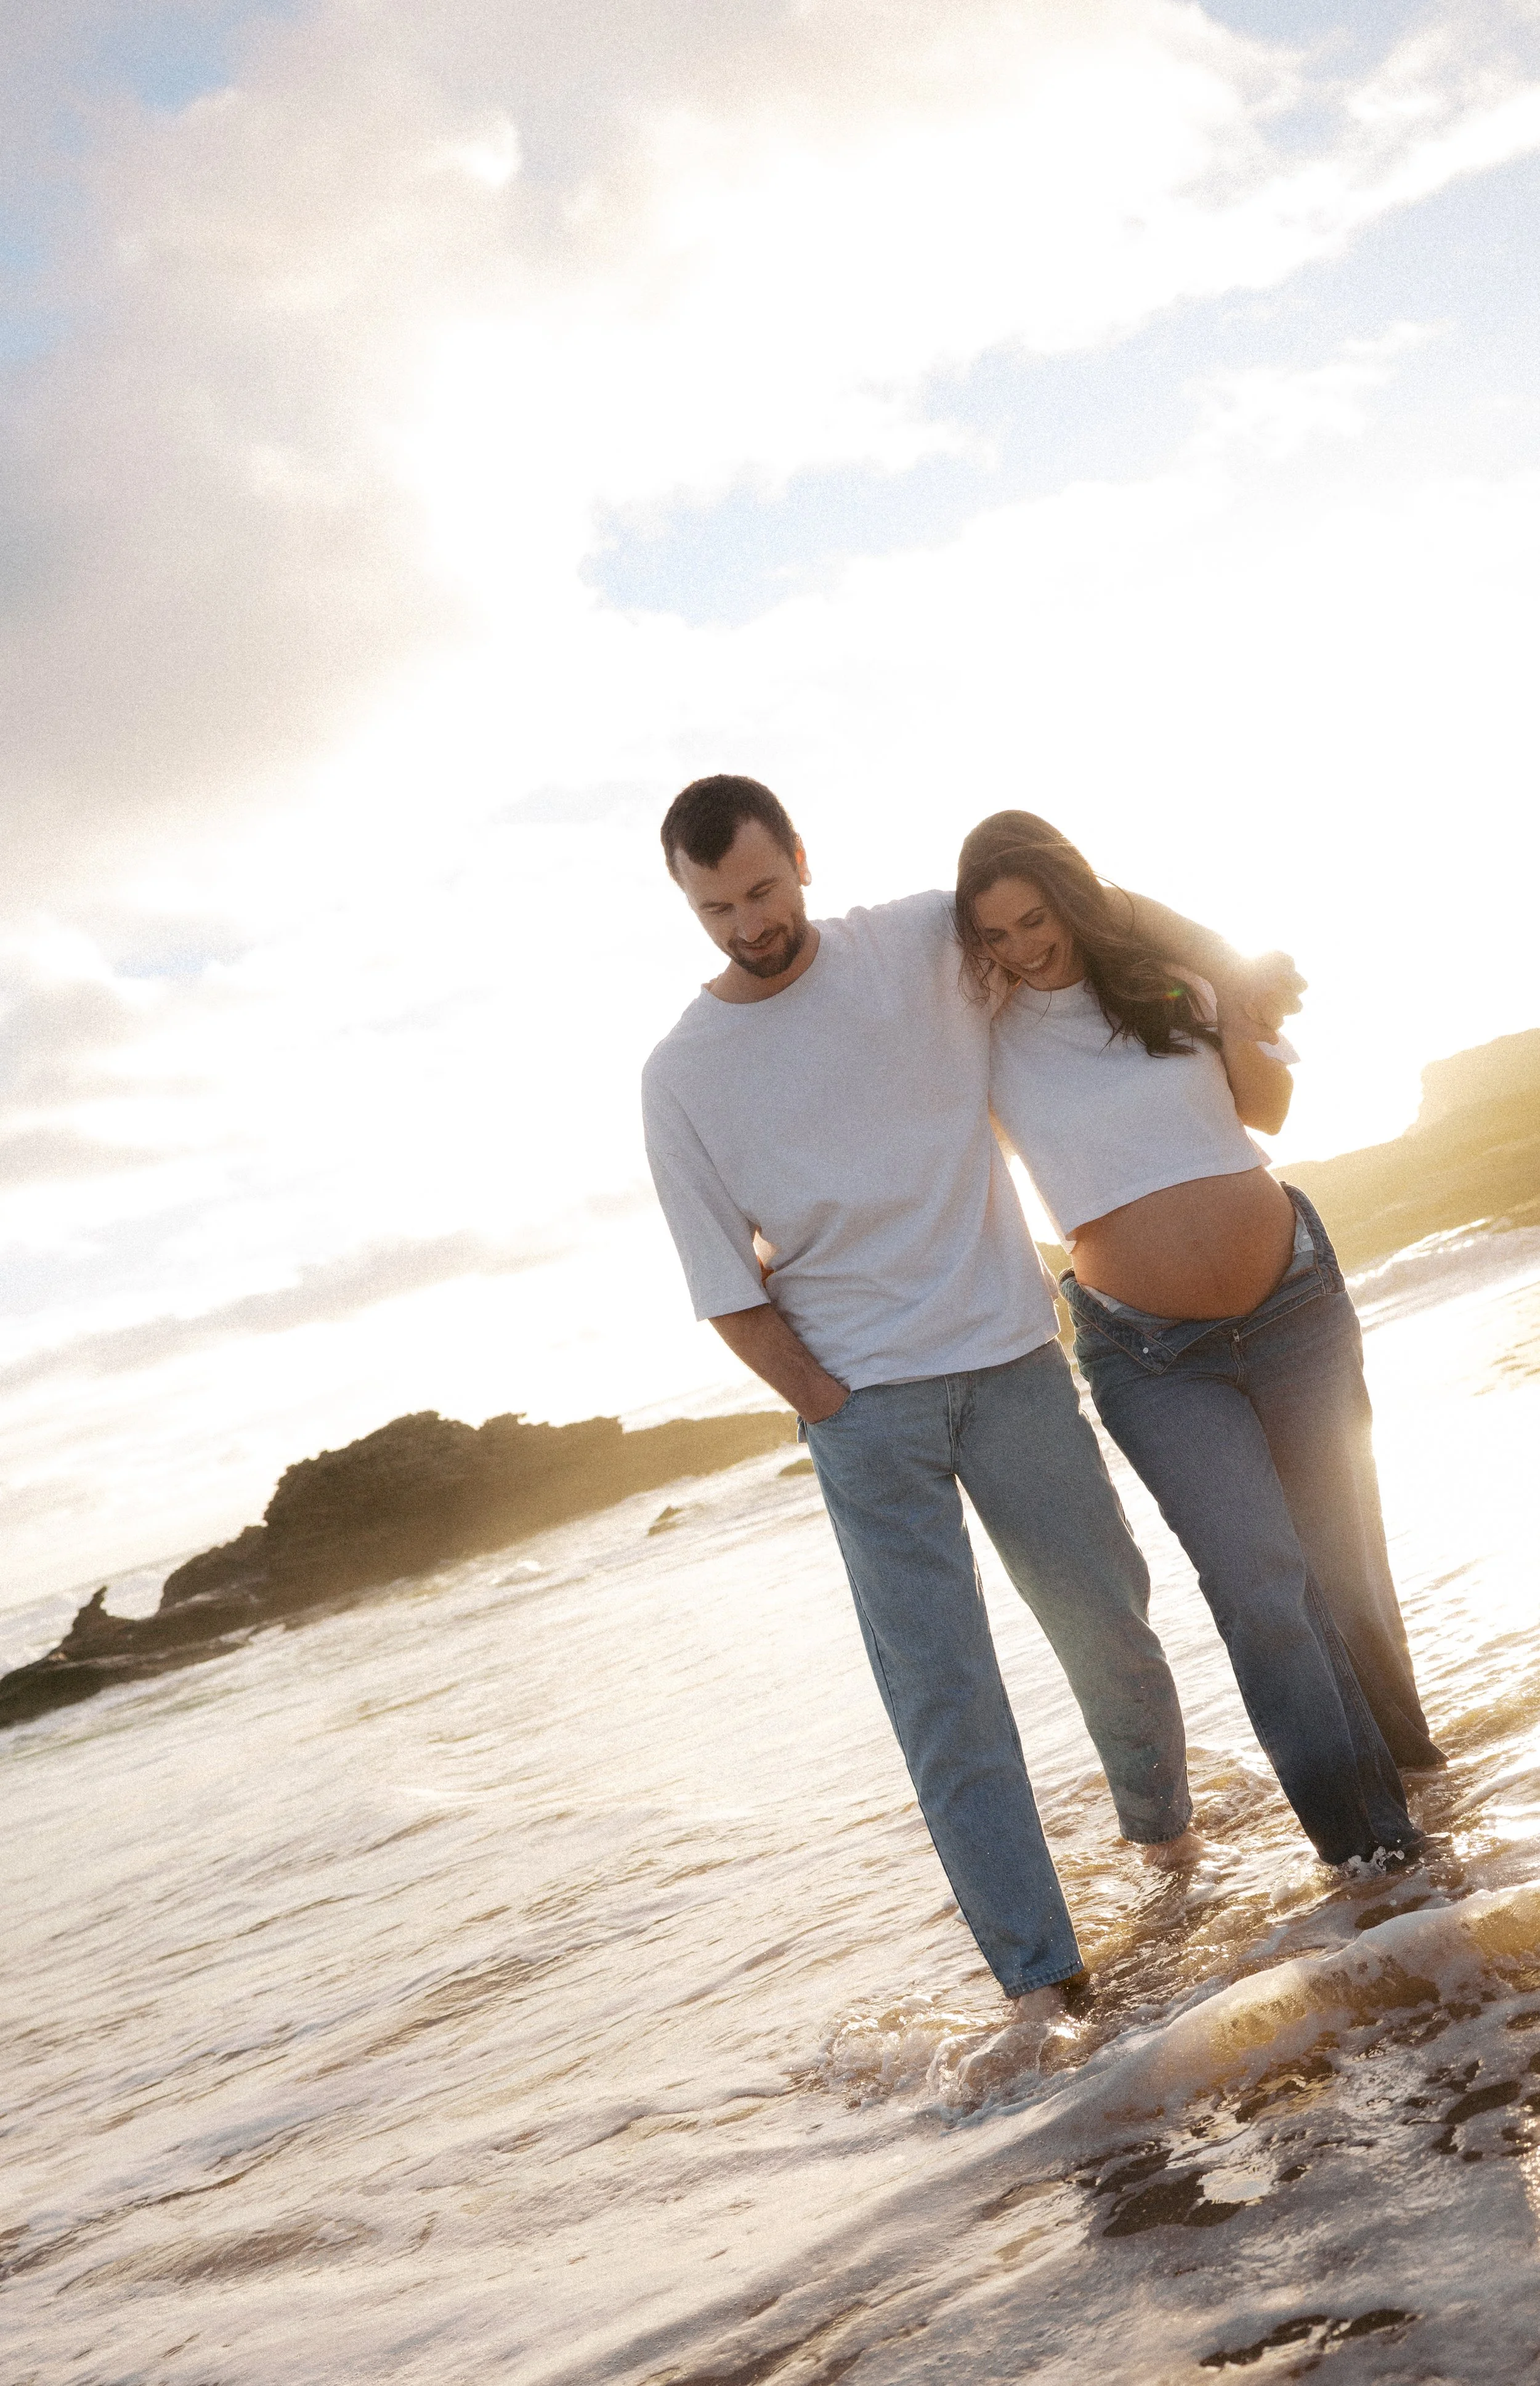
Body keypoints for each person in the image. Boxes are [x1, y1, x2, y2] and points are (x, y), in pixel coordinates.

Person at [641, 774, 1300, 2026]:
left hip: (1007, 1361)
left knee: (1107, 1623)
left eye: (763, 889)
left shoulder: (915, 942)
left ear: (799, 856)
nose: (746, 924)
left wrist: (1221, 964)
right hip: (866, 1413)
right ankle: (1043, 1988)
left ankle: (1165, 1854)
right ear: (687, 900)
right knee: (947, 1702)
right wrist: (827, 1401)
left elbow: (1071, 897)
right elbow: (723, 1287)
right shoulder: (679, 1073)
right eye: (715, 906)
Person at [960, 808, 1439, 1872]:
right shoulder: (983, 1042)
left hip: (1297, 1310)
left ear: (1073, 898)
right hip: (1151, 1355)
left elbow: (1265, 1110)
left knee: (1348, 1574)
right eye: (995, 934)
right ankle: (1370, 1862)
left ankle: (1424, 1793)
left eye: (1036, 918)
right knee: (1262, 1591)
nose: (1023, 947)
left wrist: (1227, 1018)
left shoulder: (1167, 981)